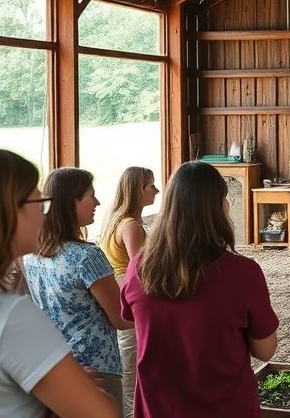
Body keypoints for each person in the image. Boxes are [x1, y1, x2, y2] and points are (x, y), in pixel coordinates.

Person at [0, 147, 118, 418]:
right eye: (39, 203)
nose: (45, 215)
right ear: (4, 213)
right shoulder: (11, 317)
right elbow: (102, 414)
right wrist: (78, 388)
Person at [121, 161, 278, 418]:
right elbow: (265, 350)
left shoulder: (139, 267)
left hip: (158, 409)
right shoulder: (243, 273)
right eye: (224, 199)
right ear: (216, 208)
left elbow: (129, 319)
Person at [23, 168, 133, 416]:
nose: (98, 202)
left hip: (57, 366)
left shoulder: (32, 255)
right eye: (91, 196)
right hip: (97, 370)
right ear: (71, 201)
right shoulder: (86, 257)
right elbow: (121, 318)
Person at [101, 167, 159, 418]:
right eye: (151, 186)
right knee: (132, 365)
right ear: (137, 190)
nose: (156, 190)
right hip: (129, 292)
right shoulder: (131, 226)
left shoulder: (115, 220)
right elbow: (139, 269)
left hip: (120, 288)